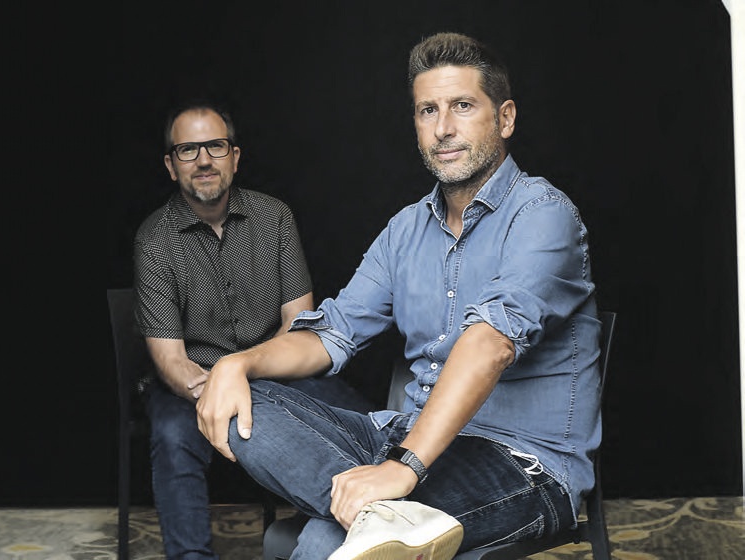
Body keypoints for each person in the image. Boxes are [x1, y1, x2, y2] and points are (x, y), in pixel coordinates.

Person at [196, 31, 602, 560]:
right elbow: (332, 334)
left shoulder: (543, 215)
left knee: (326, 539)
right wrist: (237, 364)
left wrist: (403, 467)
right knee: (242, 399)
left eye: (462, 106)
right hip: (403, 436)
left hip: (521, 462)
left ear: (504, 118)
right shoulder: (405, 229)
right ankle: (382, 518)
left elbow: (490, 344)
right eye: (428, 110)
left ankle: (377, 518)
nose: (443, 128)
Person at [133, 99, 373, 560]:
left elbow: (298, 324)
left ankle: (363, 529)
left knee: (357, 417)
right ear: (170, 165)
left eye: (216, 146)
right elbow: (171, 360)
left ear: (235, 156)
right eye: (188, 150)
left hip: (276, 369)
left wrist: (252, 378)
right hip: (192, 383)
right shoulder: (154, 240)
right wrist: (224, 390)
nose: (204, 160)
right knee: (171, 435)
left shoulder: (274, 217)